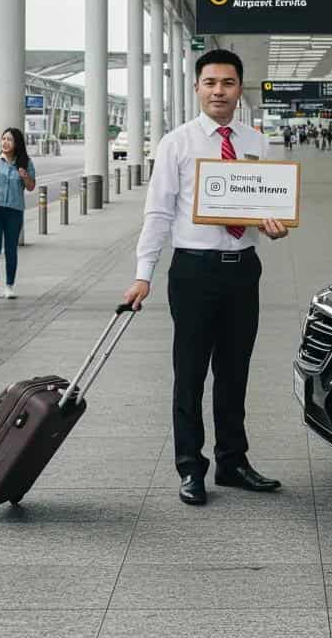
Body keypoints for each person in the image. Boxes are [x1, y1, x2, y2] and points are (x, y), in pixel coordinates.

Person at [123, 50, 289, 508]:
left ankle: (233, 462)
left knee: (235, 373)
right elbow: (157, 213)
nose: (220, 91)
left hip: (243, 271)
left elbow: (266, 205)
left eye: (229, 83)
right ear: (197, 88)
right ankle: (190, 468)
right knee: (191, 373)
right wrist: (143, 275)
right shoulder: (176, 143)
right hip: (194, 271)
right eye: (211, 82)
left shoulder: (257, 142)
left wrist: (272, 225)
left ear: (240, 89)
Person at [0, 127, 36, 300]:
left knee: (11, 250)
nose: (5, 142)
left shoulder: (25, 162)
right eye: (3, 138)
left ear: (17, 143)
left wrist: (25, 176)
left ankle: (9, 285)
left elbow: (30, 187)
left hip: (14, 211)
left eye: (9, 139)